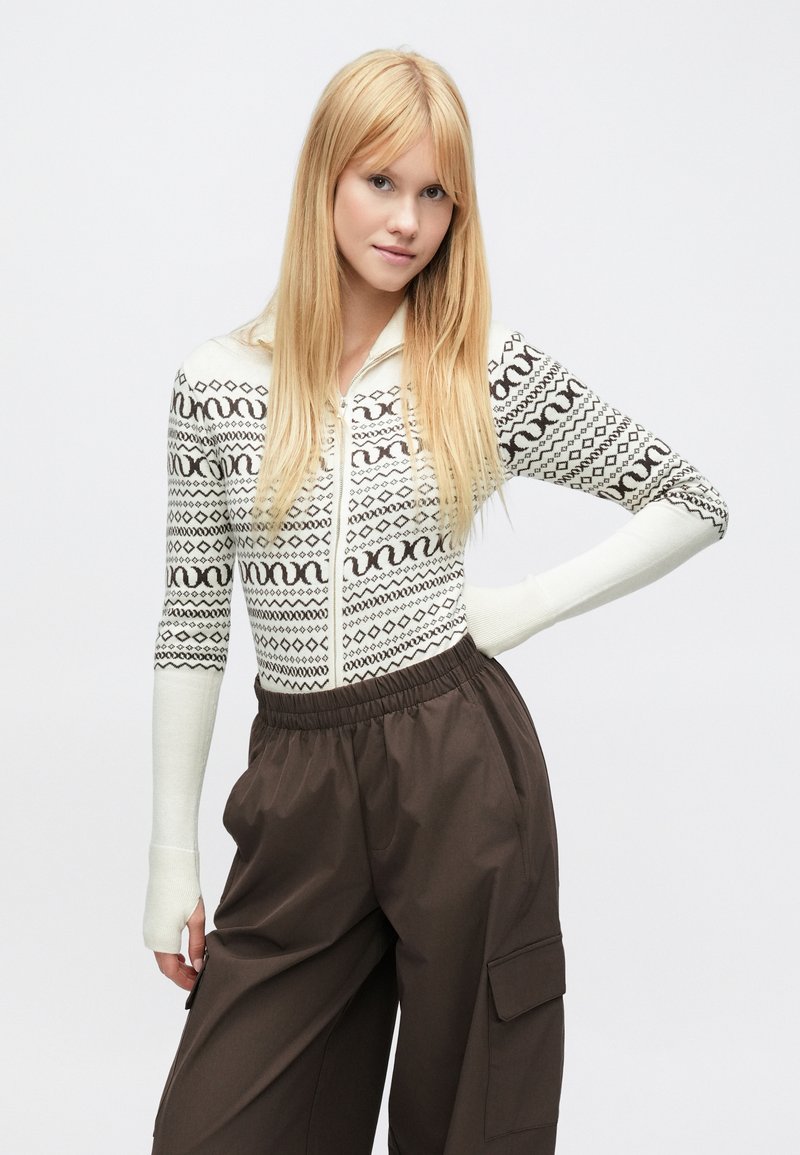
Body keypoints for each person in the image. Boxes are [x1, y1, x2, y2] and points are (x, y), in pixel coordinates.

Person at [144, 47, 729, 1155]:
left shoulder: (474, 367)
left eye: (436, 194)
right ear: (324, 176)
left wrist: (520, 606)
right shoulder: (217, 383)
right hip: (297, 784)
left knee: (474, 1123)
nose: (408, 220)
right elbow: (191, 622)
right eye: (381, 182)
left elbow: (689, 502)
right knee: (213, 1131)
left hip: (455, 764)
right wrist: (171, 853)